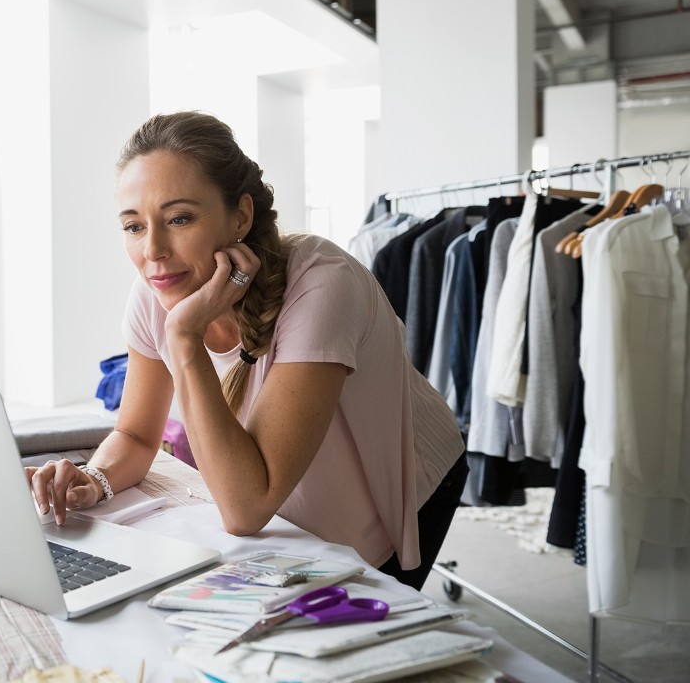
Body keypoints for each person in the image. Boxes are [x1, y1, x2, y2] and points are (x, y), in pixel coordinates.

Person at [26, 111, 466, 590]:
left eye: (179, 219)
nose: (152, 250)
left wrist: (184, 337)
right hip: (285, 482)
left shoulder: (322, 284)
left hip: (402, 474)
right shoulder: (154, 292)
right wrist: (97, 477)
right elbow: (134, 434)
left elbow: (245, 509)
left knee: (358, 625)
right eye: (134, 226)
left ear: (240, 215)